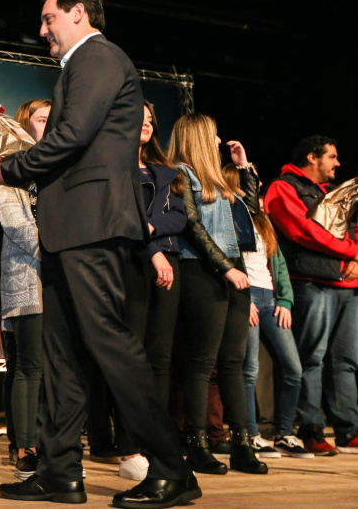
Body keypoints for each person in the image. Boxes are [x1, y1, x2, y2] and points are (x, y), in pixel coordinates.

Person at [0, 0, 199, 508]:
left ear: (77, 13)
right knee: (63, 354)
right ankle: (59, 471)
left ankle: (171, 467)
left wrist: (7, 168)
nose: (42, 29)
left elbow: (70, 136)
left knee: (110, 343)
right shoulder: (84, 63)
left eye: (48, 18)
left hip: (92, 224)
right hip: (72, 225)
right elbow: (71, 141)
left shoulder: (96, 56)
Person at [91, 99, 188, 481]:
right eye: (139, 117)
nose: (146, 124)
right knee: (131, 358)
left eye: (151, 119)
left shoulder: (166, 171)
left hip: (167, 262)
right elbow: (120, 216)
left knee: (160, 359)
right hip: (130, 263)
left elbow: (177, 215)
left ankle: (156, 445)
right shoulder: (113, 164)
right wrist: (150, 249)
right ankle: (129, 449)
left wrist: (151, 232)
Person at [168, 114, 267, 475]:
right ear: (197, 138)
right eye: (212, 135)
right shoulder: (182, 172)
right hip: (203, 269)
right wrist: (225, 267)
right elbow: (191, 226)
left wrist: (246, 169)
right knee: (201, 361)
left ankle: (241, 444)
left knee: (233, 363)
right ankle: (197, 444)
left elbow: (251, 212)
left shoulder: (220, 182)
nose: (218, 140)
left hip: (234, 270)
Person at [264, 135, 358, 455]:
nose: (338, 163)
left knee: (346, 360)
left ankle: (348, 429)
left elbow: (352, 228)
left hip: (345, 286)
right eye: (332, 157)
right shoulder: (284, 186)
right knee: (311, 358)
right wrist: (350, 252)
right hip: (311, 282)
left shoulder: (333, 192)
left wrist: (356, 258)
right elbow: (303, 231)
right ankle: (310, 429)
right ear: (312, 157)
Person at [222, 165, 307, 458]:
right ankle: (251, 434)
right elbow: (227, 262)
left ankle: (285, 433)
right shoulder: (230, 219)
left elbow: (278, 264)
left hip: (271, 298)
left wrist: (285, 300)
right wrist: (242, 300)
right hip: (247, 296)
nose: (256, 186)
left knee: (293, 369)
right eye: (250, 182)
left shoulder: (263, 222)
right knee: (250, 370)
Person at [0, 99, 47, 480]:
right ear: (25, 125)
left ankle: (50, 443)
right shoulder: (8, 166)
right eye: (43, 119)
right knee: (28, 366)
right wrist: (60, 253)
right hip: (26, 280)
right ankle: (25, 447)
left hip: (58, 281)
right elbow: (16, 224)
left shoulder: (54, 167)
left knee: (51, 368)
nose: (51, 124)